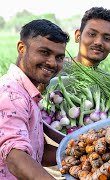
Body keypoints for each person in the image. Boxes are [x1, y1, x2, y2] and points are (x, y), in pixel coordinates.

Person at [0, 19, 69, 179]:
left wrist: (79, 151)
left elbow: (37, 151)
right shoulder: (11, 93)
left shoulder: (27, 93)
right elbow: (16, 158)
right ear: (22, 48)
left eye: (59, 57)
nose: (52, 62)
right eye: (44, 52)